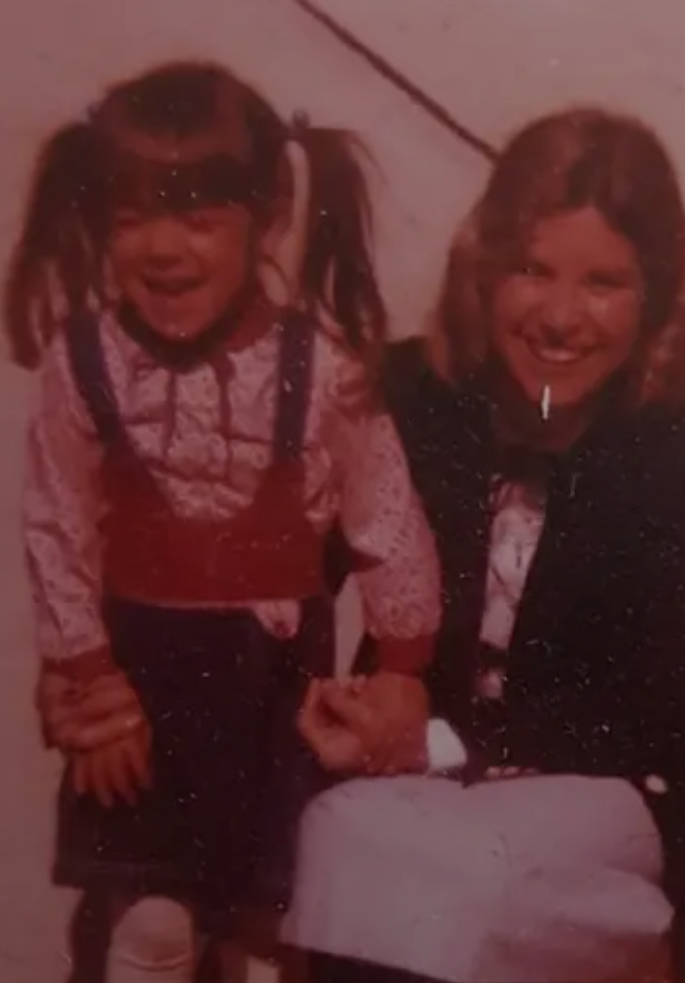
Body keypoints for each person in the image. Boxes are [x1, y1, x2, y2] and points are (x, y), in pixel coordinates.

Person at [286, 108, 685, 983]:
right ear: (483, 268)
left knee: (454, 879)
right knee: (349, 846)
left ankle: (654, 958)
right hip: (414, 792)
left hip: (606, 787)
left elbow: (660, 701)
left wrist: (427, 744)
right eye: (532, 269)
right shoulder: (410, 390)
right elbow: (287, 575)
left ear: (657, 295)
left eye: (604, 283)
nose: (560, 316)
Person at [8, 61, 440, 983]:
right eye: (131, 219)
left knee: (266, 916)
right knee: (150, 919)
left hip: (270, 690)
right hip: (137, 694)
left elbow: (386, 516)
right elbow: (54, 526)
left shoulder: (322, 369)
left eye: (199, 220)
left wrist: (402, 668)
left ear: (267, 217)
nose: (163, 248)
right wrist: (90, 685)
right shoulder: (83, 364)